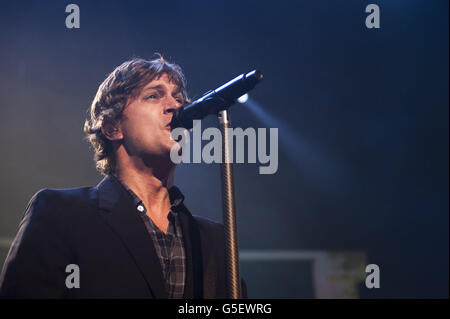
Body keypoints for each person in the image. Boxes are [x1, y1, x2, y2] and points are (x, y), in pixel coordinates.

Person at [0, 56, 246, 298]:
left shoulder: (214, 240)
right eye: (154, 95)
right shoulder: (59, 213)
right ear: (112, 127)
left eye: (179, 98)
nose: (174, 105)